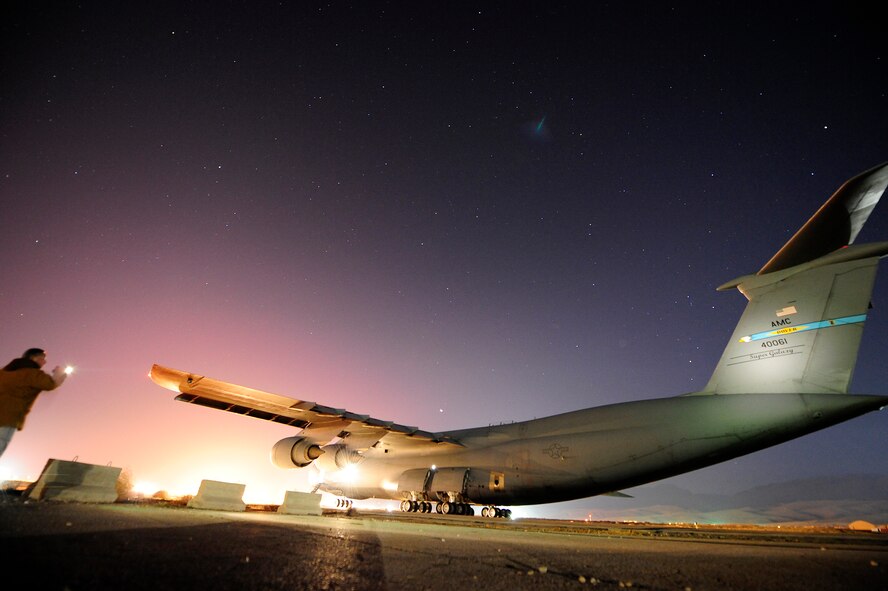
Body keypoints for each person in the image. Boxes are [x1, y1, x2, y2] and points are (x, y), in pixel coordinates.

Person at [0, 348, 69, 459]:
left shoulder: (4, 372)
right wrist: (59, 373)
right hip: (7, 418)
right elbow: (50, 384)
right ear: (33, 358)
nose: (45, 362)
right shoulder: (32, 373)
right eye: (42, 358)